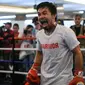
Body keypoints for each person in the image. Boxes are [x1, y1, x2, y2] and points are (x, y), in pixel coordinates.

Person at [26, 2, 84, 85]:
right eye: (39, 14)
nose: (41, 16)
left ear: (54, 15)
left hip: (63, 81)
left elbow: (77, 52)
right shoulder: (39, 34)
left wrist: (79, 74)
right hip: (44, 80)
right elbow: (39, 53)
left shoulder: (66, 32)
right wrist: (34, 68)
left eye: (45, 13)